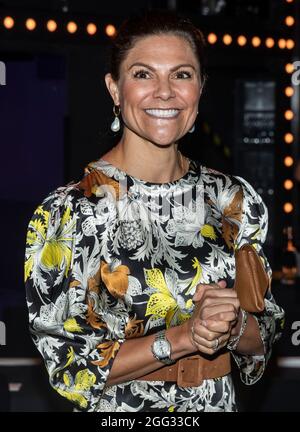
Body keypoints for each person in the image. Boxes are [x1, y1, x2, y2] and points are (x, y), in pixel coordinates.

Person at [24, 11, 285, 412]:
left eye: (182, 75)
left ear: (200, 88)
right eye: (143, 74)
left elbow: (266, 331)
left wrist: (232, 327)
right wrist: (183, 337)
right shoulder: (69, 212)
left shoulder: (232, 200)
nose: (165, 92)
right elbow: (68, 366)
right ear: (115, 89)